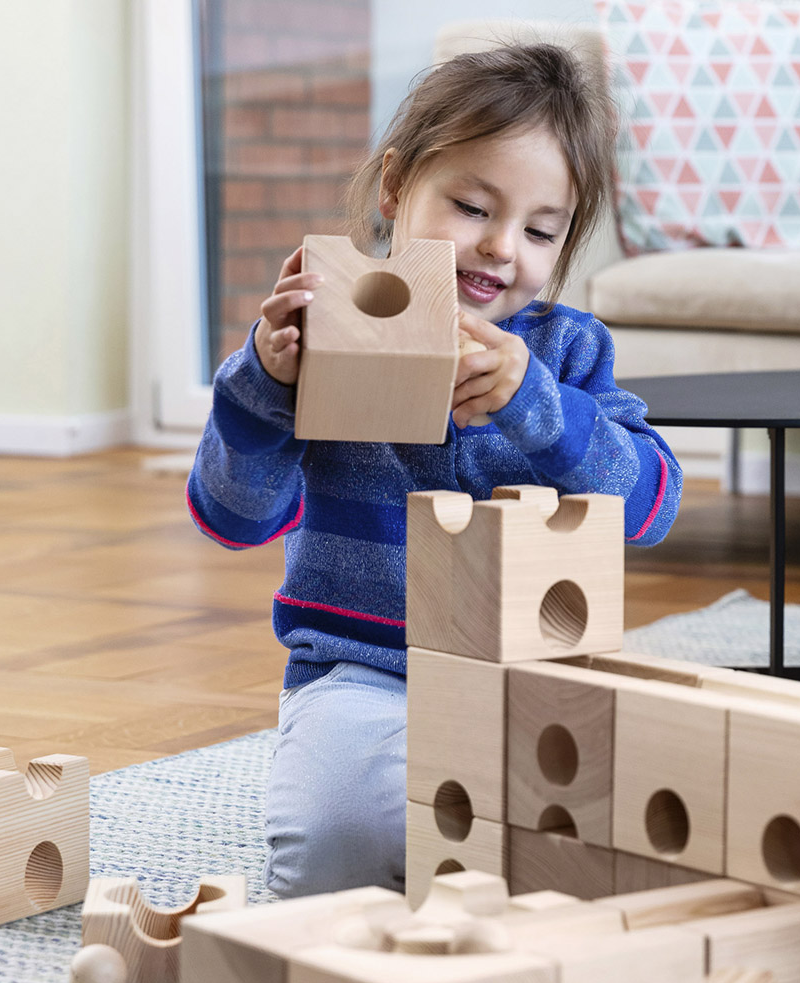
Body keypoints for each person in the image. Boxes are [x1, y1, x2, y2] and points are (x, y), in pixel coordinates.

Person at [186, 41, 683, 900]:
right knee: (332, 855)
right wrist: (265, 388)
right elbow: (231, 517)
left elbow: (650, 506)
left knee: (634, 846)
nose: (499, 248)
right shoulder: (325, 331)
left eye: (539, 230)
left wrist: (540, 407)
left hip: (531, 679)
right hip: (361, 671)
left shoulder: (567, 353)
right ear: (395, 188)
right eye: (470, 206)